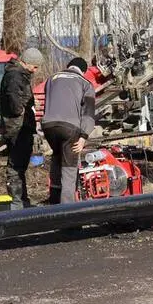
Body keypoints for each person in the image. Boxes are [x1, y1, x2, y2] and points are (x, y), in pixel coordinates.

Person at [42, 57, 97, 204]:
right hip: (69, 128)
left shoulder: (51, 79)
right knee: (69, 170)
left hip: (48, 126)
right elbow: (88, 114)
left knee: (57, 156)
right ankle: (68, 215)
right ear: (83, 71)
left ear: (69, 66)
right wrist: (83, 136)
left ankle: (53, 203)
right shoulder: (85, 82)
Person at [0, 47, 44, 209]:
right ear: (28, 63)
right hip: (17, 126)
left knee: (20, 165)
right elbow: (13, 98)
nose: (36, 70)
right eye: (36, 67)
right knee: (16, 165)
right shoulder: (15, 76)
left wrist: (30, 103)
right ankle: (16, 203)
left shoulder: (18, 75)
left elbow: (19, 97)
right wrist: (22, 109)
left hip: (22, 126)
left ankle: (22, 200)